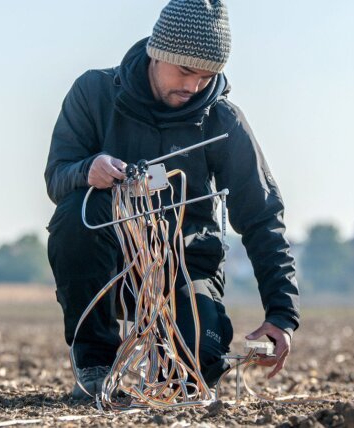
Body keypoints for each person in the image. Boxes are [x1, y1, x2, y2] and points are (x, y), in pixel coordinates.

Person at [44, 0, 300, 400]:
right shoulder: (93, 94)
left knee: (193, 374)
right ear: (157, 53)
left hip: (185, 268)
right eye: (184, 71)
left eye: (206, 75)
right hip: (113, 271)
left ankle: (181, 356)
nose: (193, 86)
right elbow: (57, 175)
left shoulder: (223, 121)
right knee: (79, 211)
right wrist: (87, 170)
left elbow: (263, 217)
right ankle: (95, 362)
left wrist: (282, 316)